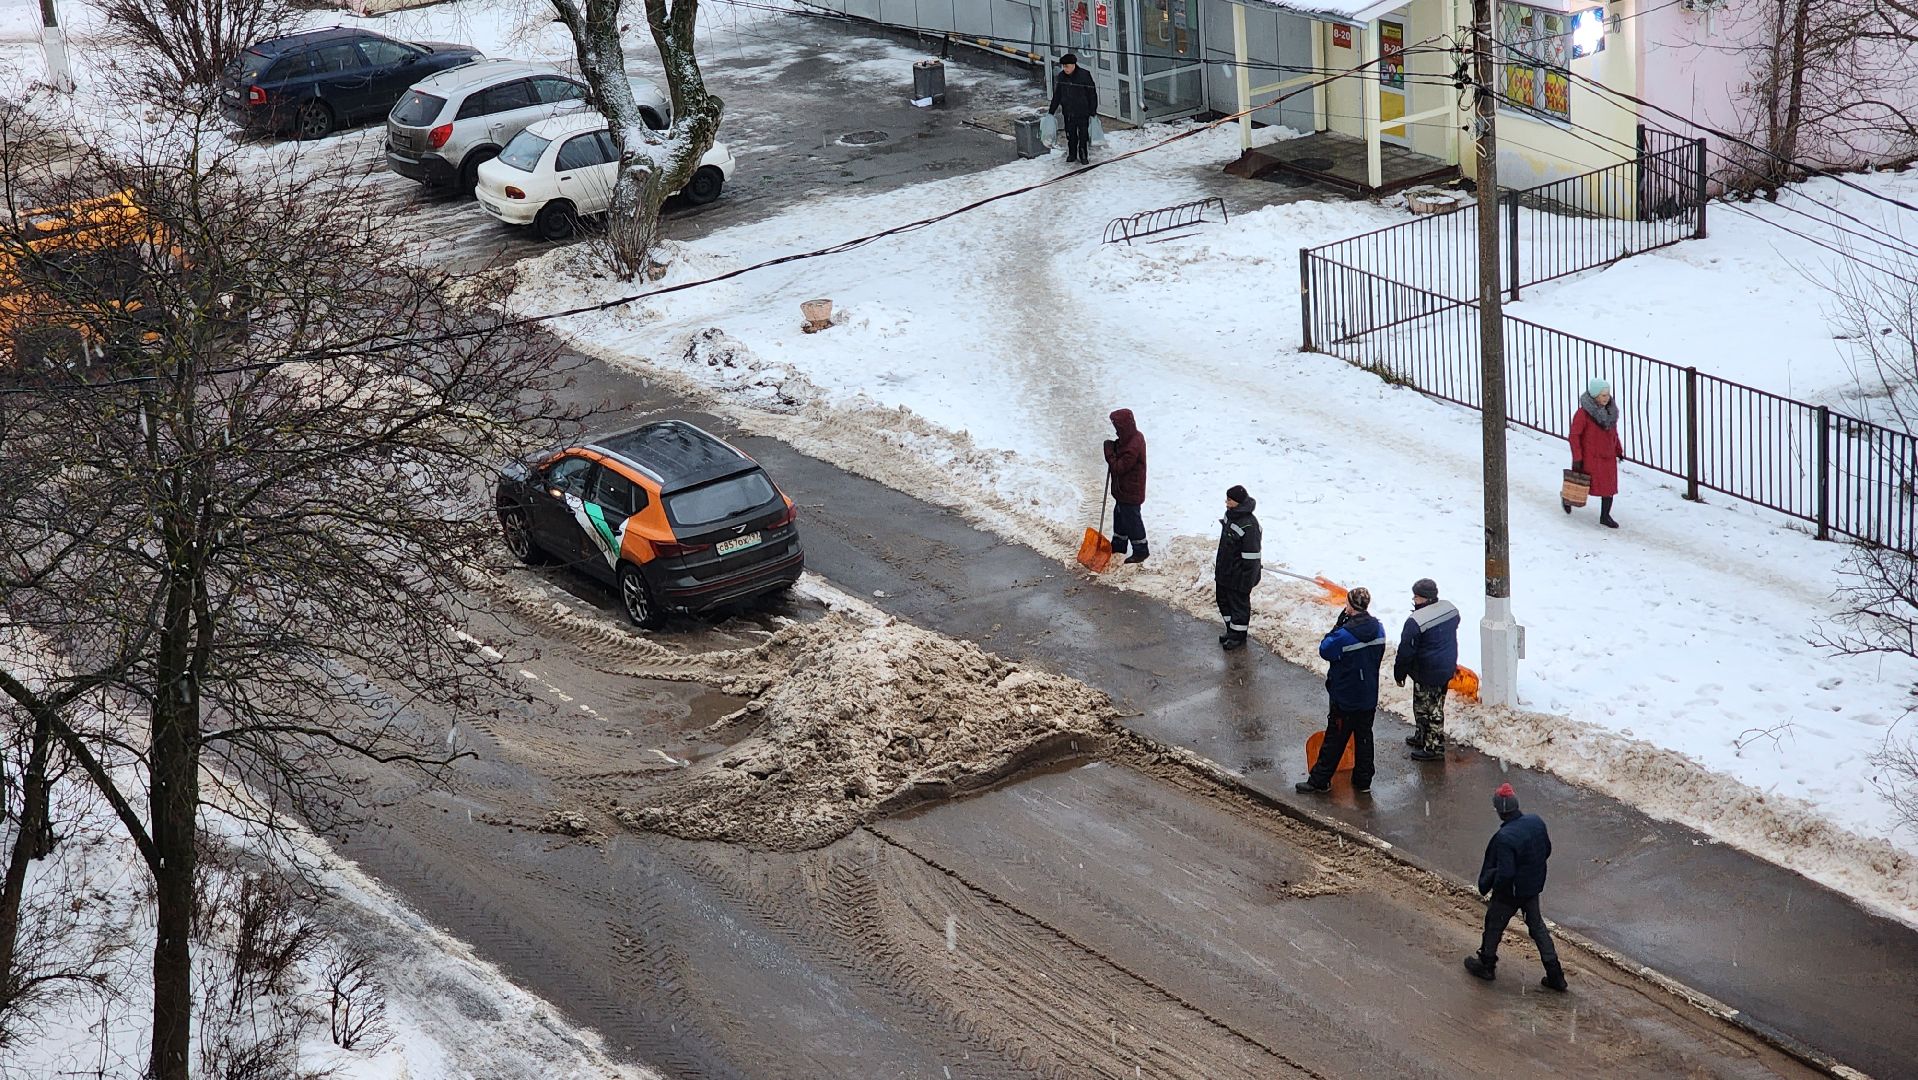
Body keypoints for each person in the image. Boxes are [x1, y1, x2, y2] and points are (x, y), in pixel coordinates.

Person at [1465, 783, 1568, 992]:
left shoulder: (1505, 837)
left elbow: (1506, 872)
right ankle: (1555, 975)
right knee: (1538, 928)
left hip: (1510, 892)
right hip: (1532, 888)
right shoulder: (1536, 822)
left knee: (1494, 924)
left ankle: (1486, 965)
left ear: (1501, 811)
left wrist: (1497, 889)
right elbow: (1546, 850)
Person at [1296, 587, 1386, 795]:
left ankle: (1320, 780)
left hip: (1345, 696)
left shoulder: (1344, 635)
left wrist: (1338, 626)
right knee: (1364, 737)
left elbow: (1325, 650)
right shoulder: (1379, 629)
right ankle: (1363, 780)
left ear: (1351, 607)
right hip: (1368, 694)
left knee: (1335, 739)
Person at [1394, 577, 1460, 762]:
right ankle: (1422, 736)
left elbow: (1406, 651)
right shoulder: (1450, 609)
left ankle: (1434, 747)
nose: (1414, 601)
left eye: (1416, 598)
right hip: (1445, 666)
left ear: (1425, 598)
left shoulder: (1416, 621)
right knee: (1422, 705)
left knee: (1432, 710)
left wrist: (1399, 673)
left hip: (1428, 671)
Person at [1566, 377, 1623, 529]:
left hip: (1607, 457)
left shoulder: (1610, 413)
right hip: (1590, 457)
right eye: (1603, 395)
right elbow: (1574, 436)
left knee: (1609, 488)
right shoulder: (1583, 414)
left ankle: (1605, 516)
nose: (1607, 398)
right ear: (1595, 396)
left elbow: (1613, 434)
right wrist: (1577, 456)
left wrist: (1618, 449)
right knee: (1582, 483)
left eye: (1608, 394)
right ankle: (1568, 500)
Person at [1214, 485, 1261, 651]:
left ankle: (1238, 637)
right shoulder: (1230, 516)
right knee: (1223, 601)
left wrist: (1246, 580)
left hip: (1238, 577)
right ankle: (1231, 631)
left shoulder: (1249, 526)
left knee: (1238, 608)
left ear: (1238, 502)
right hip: (1225, 573)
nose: (1226, 502)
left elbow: (1252, 557)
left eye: (1229, 500)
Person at [1102, 408, 1148, 564]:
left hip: (1131, 490)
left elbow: (1119, 467)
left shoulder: (1134, 443)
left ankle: (1141, 550)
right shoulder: (1127, 438)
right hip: (1123, 490)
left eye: (1116, 426)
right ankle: (1119, 544)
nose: (1115, 430)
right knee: (1120, 517)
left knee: (1132, 520)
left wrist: (1109, 453)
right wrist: (1114, 446)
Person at [1048, 54, 1099, 165]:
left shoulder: (1084, 75)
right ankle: (1072, 153)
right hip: (1068, 112)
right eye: (1063, 66)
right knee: (1070, 134)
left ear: (1073, 65)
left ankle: (1083, 154)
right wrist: (1051, 110)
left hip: (1082, 112)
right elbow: (1058, 94)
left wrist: (1093, 110)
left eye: (1067, 66)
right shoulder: (1061, 77)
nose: (1065, 69)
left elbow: (1092, 94)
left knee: (1083, 135)